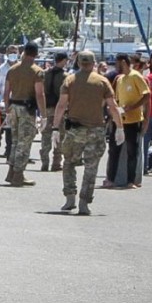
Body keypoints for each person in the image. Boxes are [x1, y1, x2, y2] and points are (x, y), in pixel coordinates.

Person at [53, 50, 124, 215]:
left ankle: (70, 197)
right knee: (91, 167)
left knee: (69, 163)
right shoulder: (102, 81)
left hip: (74, 130)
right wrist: (119, 127)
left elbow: (61, 105)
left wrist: (55, 127)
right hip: (96, 130)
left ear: (78, 63)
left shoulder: (70, 80)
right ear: (94, 63)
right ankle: (84, 202)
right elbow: (112, 106)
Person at [3, 42, 46, 186]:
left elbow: (6, 91)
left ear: (24, 52)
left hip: (14, 106)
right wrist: (44, 115)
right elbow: (39, 94)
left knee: (15, 141)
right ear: (36, 54)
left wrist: (7, 108)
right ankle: (18, 175)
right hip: (27, 109)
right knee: (25, 142)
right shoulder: (37, 71)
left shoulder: (13, 69)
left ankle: (11, 171)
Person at [105, 53, 150, 189]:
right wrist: (112, 110)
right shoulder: (120, 79)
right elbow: (117, 99)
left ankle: (131, 180)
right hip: (119, 120)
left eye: (117, 63)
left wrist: (133, 107)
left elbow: (146, 95)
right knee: (114, 150)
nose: (116, 66)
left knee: (132, 151)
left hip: (133, 120)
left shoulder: (135, 76)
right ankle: (111, 179)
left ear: (124, 62)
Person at [40, 52, 68, 172]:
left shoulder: (45, 73)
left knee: (45, 136)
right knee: (59, 135)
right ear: (63, 60)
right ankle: (56, 162)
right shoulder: (65, 76)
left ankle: (44, 162)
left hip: (46, 108)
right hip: (59, 109)